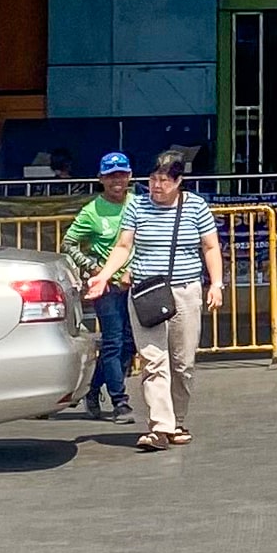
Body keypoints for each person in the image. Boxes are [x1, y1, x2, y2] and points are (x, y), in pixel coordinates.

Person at [85, 152, 223, 451]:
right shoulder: (137, 206)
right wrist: (104, 276)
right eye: (152, 180)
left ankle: (178, 420)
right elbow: (124, 246)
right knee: (152, 359)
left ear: (178, 181)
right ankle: (160, 426)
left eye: (163, 181)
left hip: (185, 291)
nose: (156, 187)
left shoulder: (195, 207)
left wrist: (216, 284)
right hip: (147, 292)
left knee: (182, 363)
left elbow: (211, 247)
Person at [61, 152, 137, 423]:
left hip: (136, 284)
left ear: (129, 176)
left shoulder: (139, 204)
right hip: (107, 289)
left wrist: (132, 269)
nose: (117, 180)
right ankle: (120, 402)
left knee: (130, 345)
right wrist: (95, 270)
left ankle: (93, 386)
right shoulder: (92, 211)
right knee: (113, 342)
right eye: (111, 175)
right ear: (101, 179)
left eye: (122, 174)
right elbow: (69, 243)